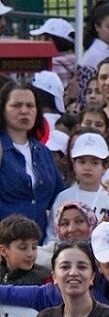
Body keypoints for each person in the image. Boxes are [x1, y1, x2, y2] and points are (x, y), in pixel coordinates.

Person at [0, 82, 61, 231]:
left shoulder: (44, 152)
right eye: (16, 105)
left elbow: (60, 196)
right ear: (3, 109)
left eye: (30, 106)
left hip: (38, 245)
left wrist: (98, 188)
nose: (24, 111)